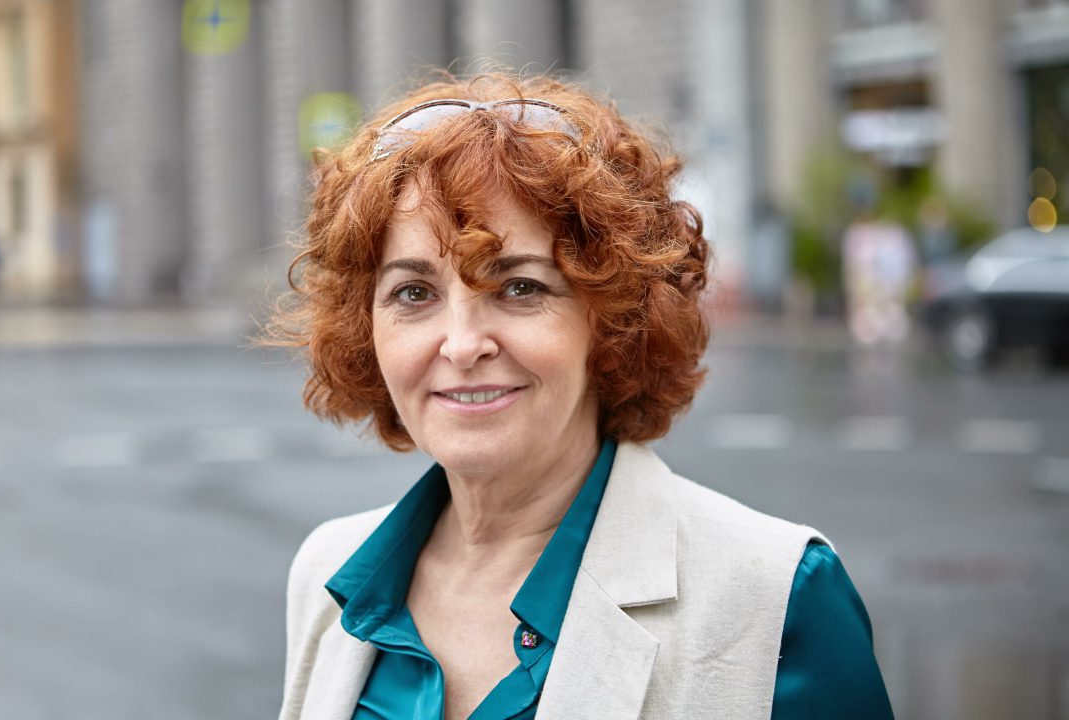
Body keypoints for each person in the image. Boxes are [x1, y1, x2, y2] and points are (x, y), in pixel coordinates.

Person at [266, 72, 894, 720]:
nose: (461, 344)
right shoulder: (326, 575)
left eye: (520, 288)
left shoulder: (779, 596)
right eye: (414, 294)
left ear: (613, 318)